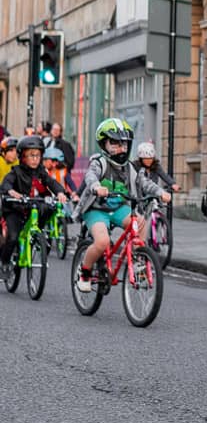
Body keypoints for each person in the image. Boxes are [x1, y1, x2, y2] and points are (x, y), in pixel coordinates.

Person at [74, 119, 170, 293]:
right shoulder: (99, 162)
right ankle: (85, 272)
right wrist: (96, 187)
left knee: (140, 222)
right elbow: (90, 176)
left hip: (118, 208)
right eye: (115, 144)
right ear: (104, 144)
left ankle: (138, 260)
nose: (121, 149)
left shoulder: (129, 167)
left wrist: (159, 192)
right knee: (102, 242)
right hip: (96, 210)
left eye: (124, 144)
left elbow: (144, 182)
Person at [0, 136, 69, 279]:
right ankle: (5, 262)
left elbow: (51, 182)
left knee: (48, 208)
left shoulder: (41, 172)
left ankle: (38, 238)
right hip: (15, 209)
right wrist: (11, 192)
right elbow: (6, 183)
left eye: (38, 155)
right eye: (31, 155)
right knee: (12, 237)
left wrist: (60, 192)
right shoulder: (16, 171)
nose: (35, 159)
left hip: (33, 207)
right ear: (22, 156)